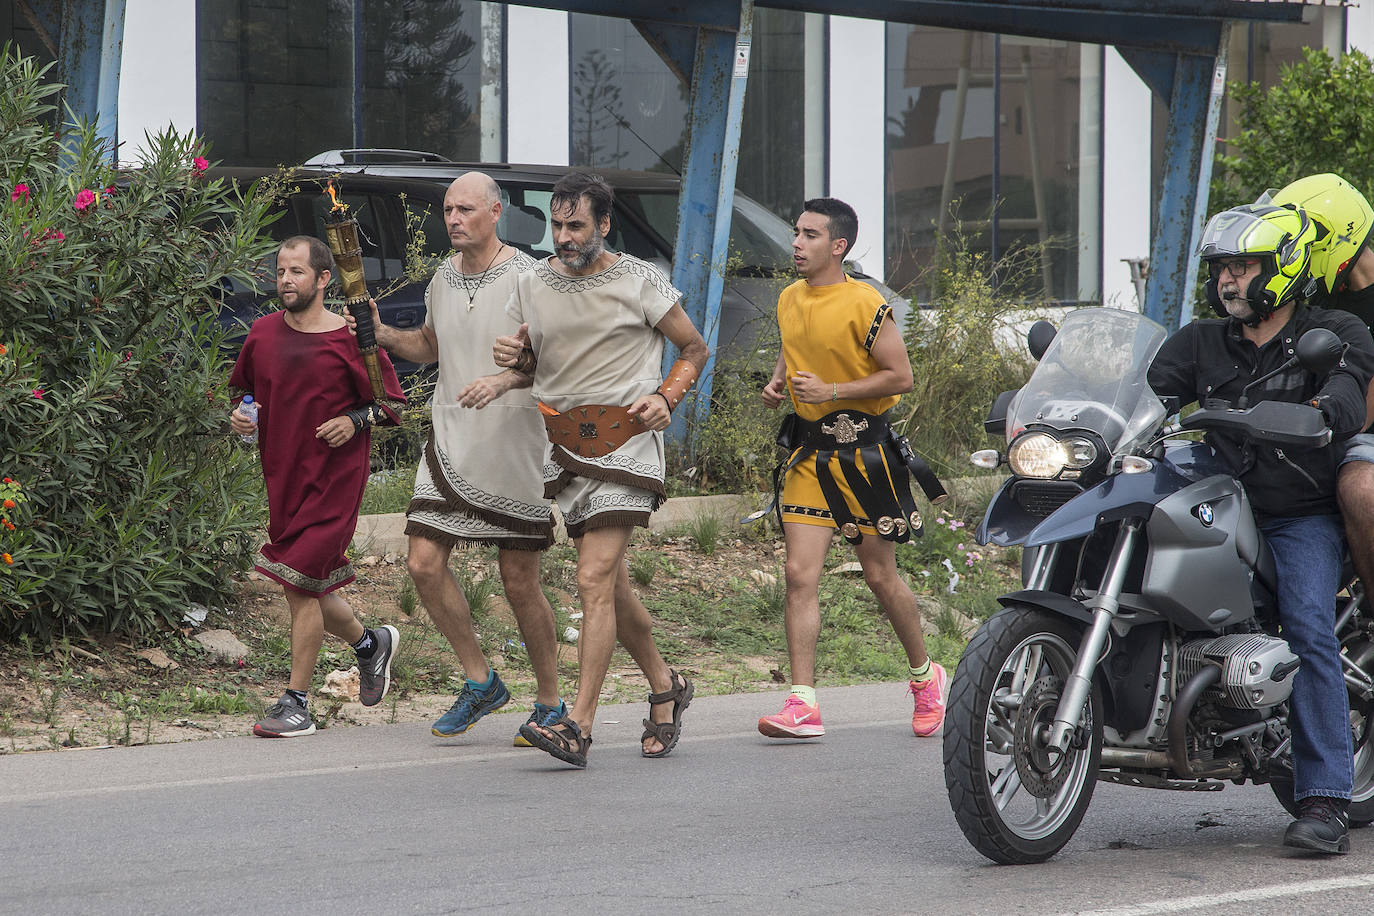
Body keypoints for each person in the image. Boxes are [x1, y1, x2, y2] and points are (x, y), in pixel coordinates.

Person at [1147, 201, 1374, 854]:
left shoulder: (1335, 332)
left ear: (1283, 268)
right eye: (1220, 269)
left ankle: (1326, 800)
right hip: (1216, 503)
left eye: (1242, 267)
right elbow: (1150, 394)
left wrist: (1321, 411)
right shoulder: (1197, 342)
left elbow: (1348, 395)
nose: (1228, 281)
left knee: (1306, 624)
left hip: (1298, 515)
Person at [493, 170, 709, 768]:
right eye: (556, 225)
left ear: (604, 225)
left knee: (591, 580)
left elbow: (694, 348)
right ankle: (666, 686)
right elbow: (537, 359)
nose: (563, 236)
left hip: (628, 443)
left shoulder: (642, 281)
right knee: (609, 584)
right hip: (564, 448)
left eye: (576, 226)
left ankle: (578, 726)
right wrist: (516, 356)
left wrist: (667, 397)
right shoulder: (534, 282)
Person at [348, 172, 567, 745]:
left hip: (515, 443)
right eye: (447, 209)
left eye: (465, 209)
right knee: (422, 563)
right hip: (450, 439)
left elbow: (555, 365)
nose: (452, 219)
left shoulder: (529, 276)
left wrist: (502, 379)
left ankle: (550, 700)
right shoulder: (443, 275)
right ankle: (481, 681)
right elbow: (433, 345)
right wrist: (385, 334)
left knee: (519, 581)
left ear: (496, 213)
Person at [755, 197, 947, 741]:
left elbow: (900, 377)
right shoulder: (790, 298)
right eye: (796, 232)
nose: (796, 243)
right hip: (809, 457)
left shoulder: (867, 303)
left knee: (880, 577)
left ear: (838, 246)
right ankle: (802, 703)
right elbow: (795, 351)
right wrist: (778, 382)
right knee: (799, 574)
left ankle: (924, 676)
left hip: (865, 458)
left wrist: (834, 391)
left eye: (810, 235)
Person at [229, 235, 407, 738]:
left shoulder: (352, 340)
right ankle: (371, 645)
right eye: (281, 271)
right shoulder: (262, 334)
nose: (286, 280)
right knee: (309, 585)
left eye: (297, 272)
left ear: (324, 280)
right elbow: (245, 392)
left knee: (299, 585)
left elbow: (391, 404)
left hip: (335, 484)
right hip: (283, 480)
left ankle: (296, 703)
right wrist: (240, 418)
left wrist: (355, 419)